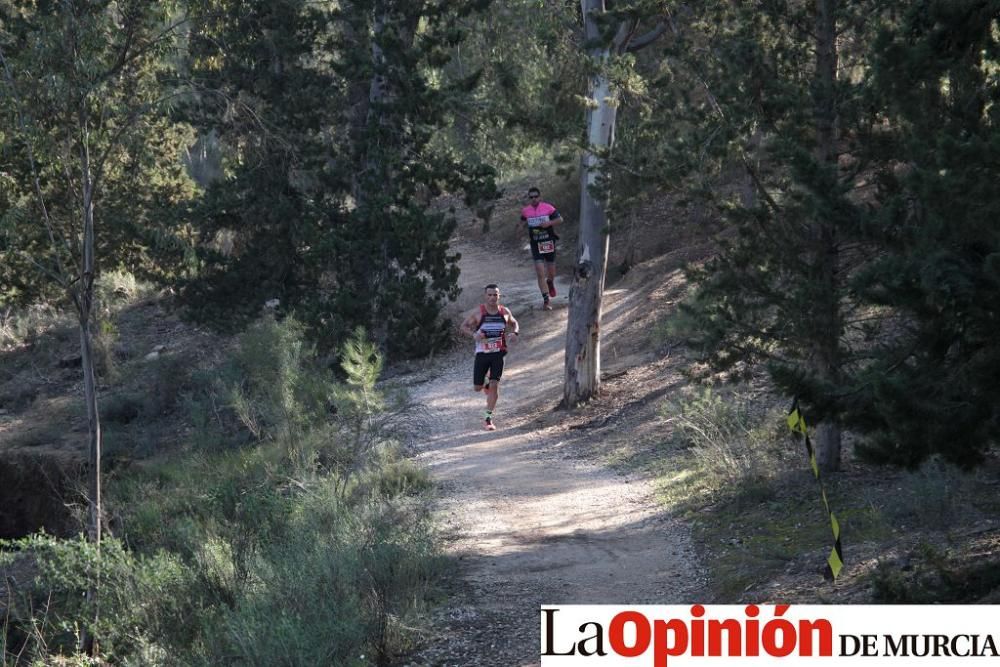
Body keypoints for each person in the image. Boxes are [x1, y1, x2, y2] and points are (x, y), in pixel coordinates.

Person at [460, 284, 520, 431]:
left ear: (499, 296)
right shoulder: (478, 313)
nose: (493, 297)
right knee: (477, 387)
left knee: (495, 385)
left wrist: (515, 333)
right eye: (490, 295)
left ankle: (488, 418)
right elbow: (463, 326)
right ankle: (485, 384)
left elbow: (514, 323)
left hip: (499, 353)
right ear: (485, 296)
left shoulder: (504, 312)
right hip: (482, 354)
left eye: (495, 295)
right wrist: (474, 335)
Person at [520, 186, 564, 310]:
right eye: (531, 197)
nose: (534, 199)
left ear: (540, 197)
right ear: (529, 198)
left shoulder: (548, 207)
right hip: (535, 244)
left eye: (536, 196)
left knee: (551, 272)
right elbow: (522, 222)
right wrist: (519, 228)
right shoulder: (526, 211)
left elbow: (560, 219)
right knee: (540, 272)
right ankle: (546, 301)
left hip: (548, 242)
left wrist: (549, 223)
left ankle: (550, 282)